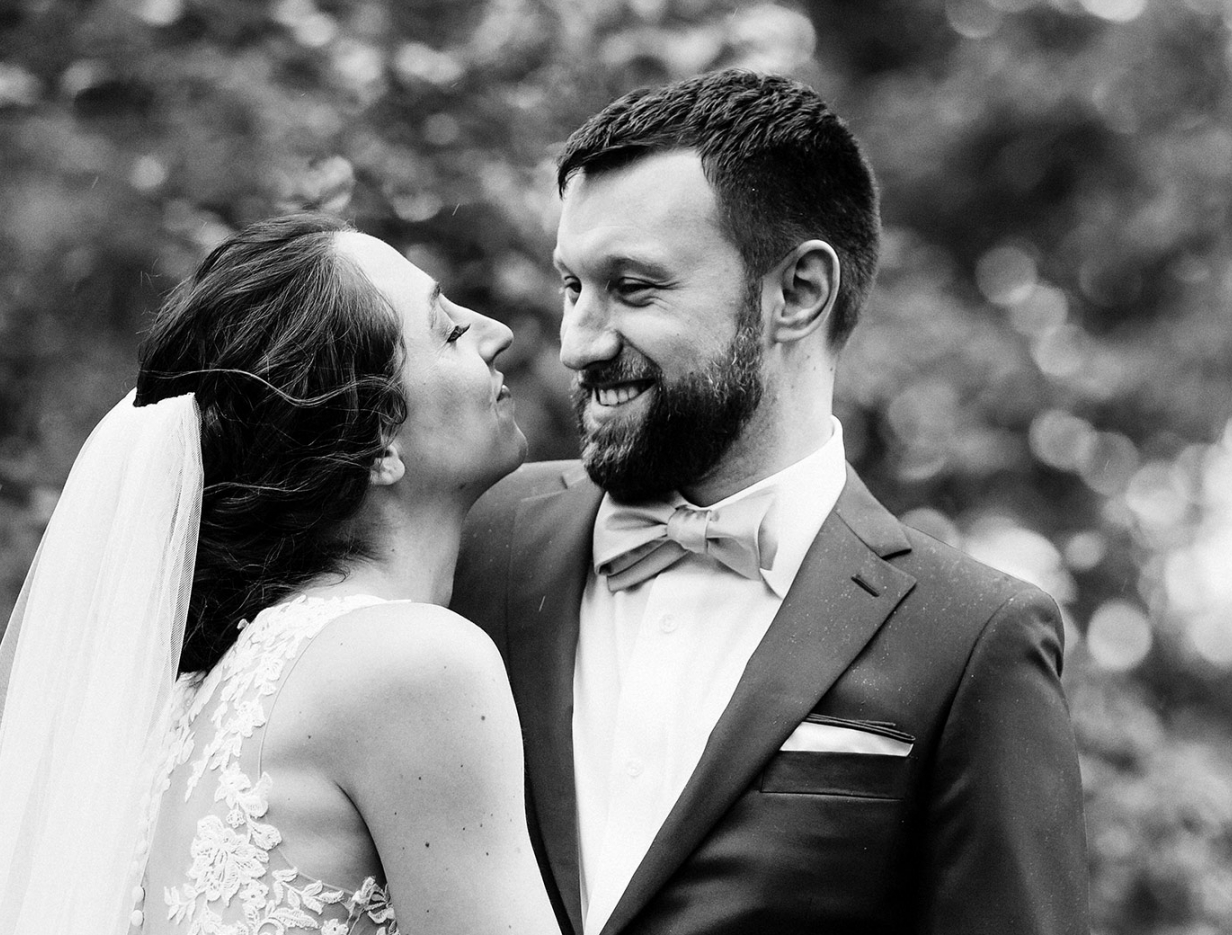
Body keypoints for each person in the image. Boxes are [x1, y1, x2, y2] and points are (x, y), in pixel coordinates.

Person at [451, 69, 1090, 935]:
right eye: (573, 287)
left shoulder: (972, 640)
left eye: (633, 289)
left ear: (798, 292)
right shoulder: (476, 533)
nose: (578, 343)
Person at [0, 214, 560, 934]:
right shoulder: (412, 664)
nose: (496, 333)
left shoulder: (198, 697)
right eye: (447, 330)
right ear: (378, 436)